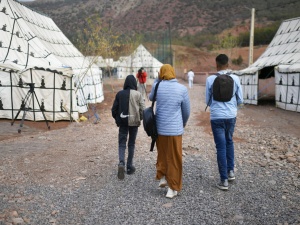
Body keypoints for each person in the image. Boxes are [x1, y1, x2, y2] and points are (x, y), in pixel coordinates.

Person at [149, 64, 190, 198]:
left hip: (160, 130)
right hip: (175, 130)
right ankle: (173, 188)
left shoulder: (158, 86)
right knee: (175, 158)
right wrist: (182, 123)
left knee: (163, 154)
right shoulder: (182, 89)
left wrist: (157, 80)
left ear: (161, 74)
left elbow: (150, 98)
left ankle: (162, 177)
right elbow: (186, 111)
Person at [205, 54, 243, 190]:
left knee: (220, 146)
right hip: (231, 116)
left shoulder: (210, 79)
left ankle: (224, 180)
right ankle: (231, 172)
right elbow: (240, 100)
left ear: (217, 64)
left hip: (216, 117)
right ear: (228, 63)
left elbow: (207, 101)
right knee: (229, 141)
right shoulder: (235, 78)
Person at [111, 75, 145, 180]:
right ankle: (129, 167)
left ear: (125, 83)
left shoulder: (120, 94)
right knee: (131, 143)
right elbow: (142, 109)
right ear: (134, 84)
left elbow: (114, 109)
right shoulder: (138, 94)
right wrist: (140, 118)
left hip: (123, 123)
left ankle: (121, 163)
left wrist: (117, 119)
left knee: (122, 143)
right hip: (134, 123)